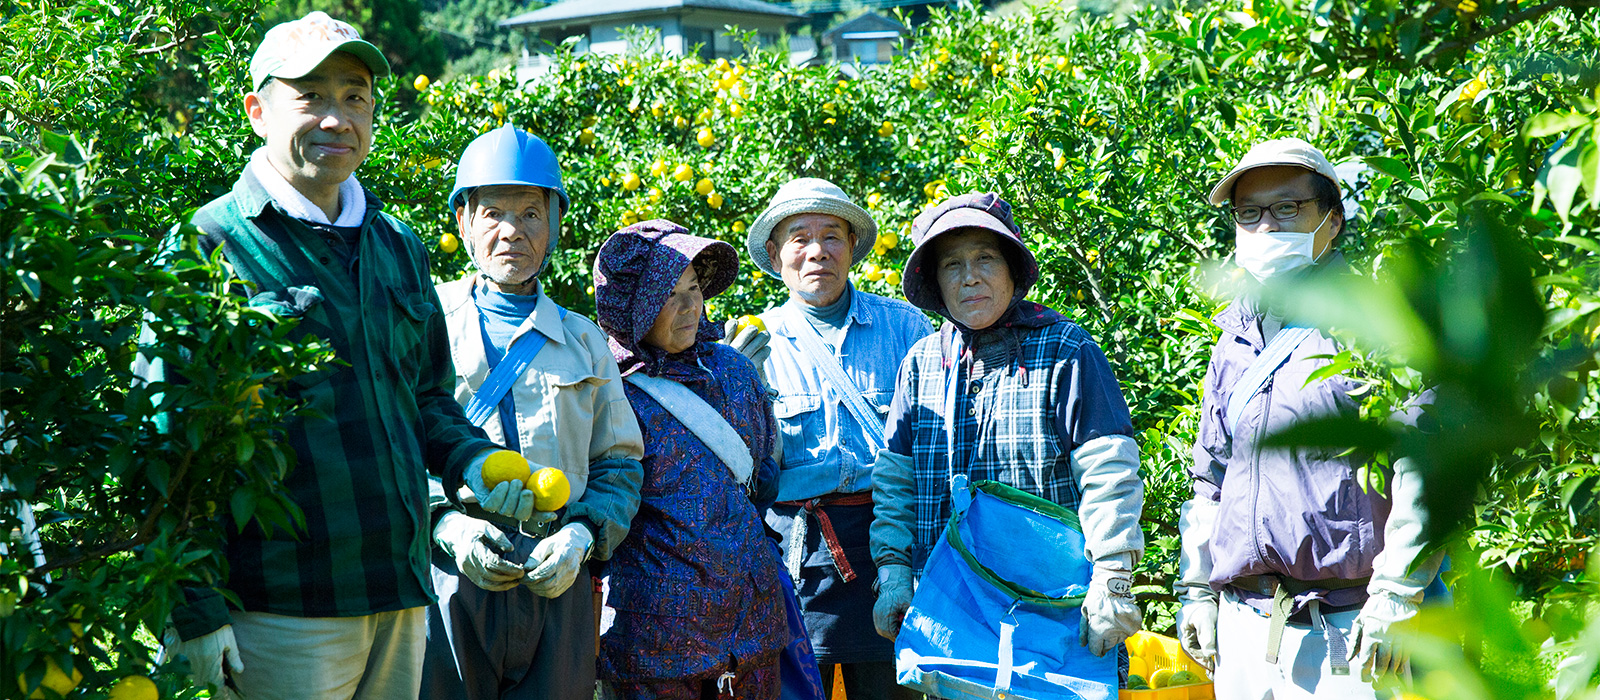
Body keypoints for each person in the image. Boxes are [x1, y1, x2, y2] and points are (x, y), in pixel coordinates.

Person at [144, 12, 505, 699]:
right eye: (310, 96)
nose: (337, 118)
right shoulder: (210, 246)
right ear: (258, 111)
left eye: (354, 96)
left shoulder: (397, 243)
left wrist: (472, 459)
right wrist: (194, 608)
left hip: (398, 595)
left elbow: (426, 397)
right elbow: (168, 444)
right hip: (278, 610)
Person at [1174, 137, 1442, 698]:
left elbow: (1427, 464)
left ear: (1334, 222)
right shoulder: (1235, 337)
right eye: (1249, 214)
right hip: (1247, 627)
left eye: (1288, 208)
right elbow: (1210, 478)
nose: (1267, 227)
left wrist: (1396, 595)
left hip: (1352, 628)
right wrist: (1196, 587)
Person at [869, 193, 1146, 662]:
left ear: (1013, 270)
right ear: (935, 282)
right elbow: (897, 483)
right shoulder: (921, 363)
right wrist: (894, 571)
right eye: (952, 264)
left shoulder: (1065, 350)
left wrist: (1113, 578)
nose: (969, 276)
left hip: (1056, 607)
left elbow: (1109, 476)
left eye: (985, 259)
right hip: (950, 614)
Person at [420, 125, 645, 700]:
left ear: (554, 227)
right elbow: (390, 444)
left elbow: (619, 465)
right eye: (492, 213)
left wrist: (581, 536)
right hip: (451, 572)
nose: (511, 232)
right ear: (463, 221)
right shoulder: (424, 321)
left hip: (557, 580)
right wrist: (446, 526)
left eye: (530, 214)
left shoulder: (583, 340)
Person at [735, 178, 931, 699]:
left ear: (853, 249)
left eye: (832, 236)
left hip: (888, 549)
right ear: (776, 255)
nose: (816, 251)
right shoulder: (753, 341)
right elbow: (740, 469)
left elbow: (933, 450)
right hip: (795, 554)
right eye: (799, 237)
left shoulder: (906, 329)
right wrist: (736, 388)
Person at [592, 220, 792, 700]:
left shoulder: (735, 371)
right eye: (669, 294)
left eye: (695, 289)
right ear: (634, 305)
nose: (690, 307)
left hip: (751, 635)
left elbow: (763, 478)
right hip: (655, 647)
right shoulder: (605, 388)